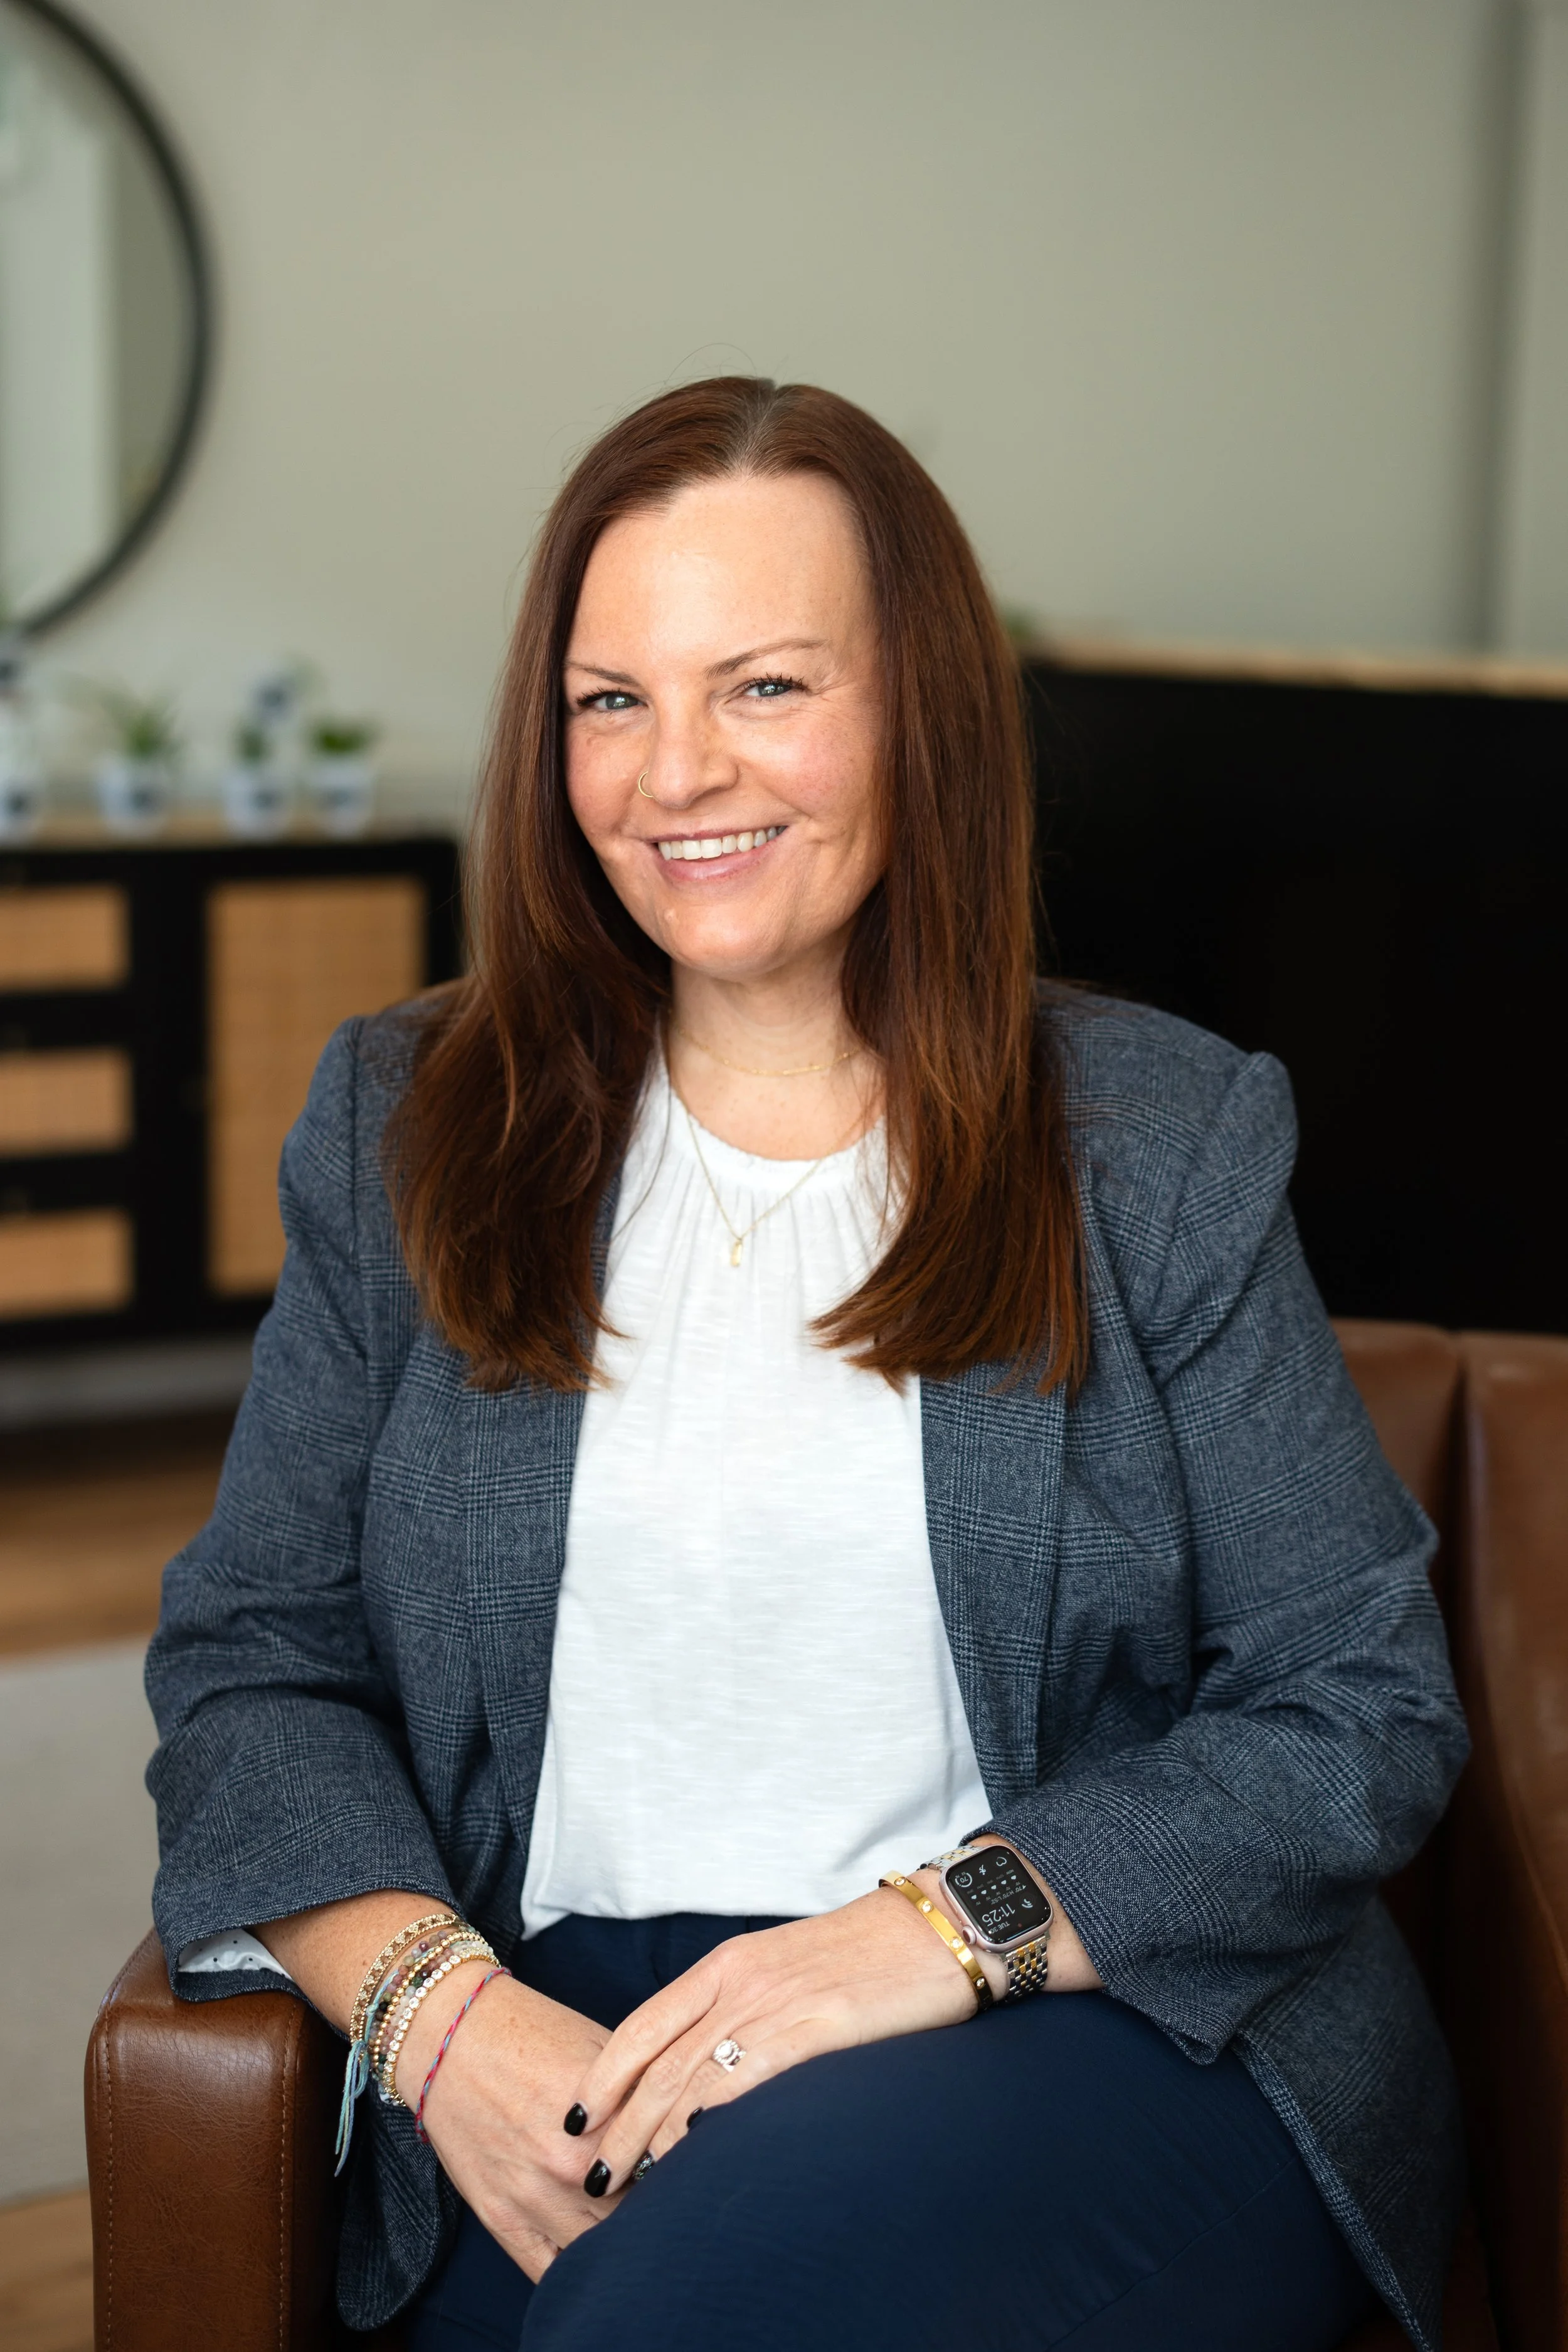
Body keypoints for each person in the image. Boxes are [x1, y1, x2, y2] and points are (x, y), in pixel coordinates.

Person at [146, 377, 1467, 2352]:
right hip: (559, 2036)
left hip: (1063, 2017)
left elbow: (1357, 1705)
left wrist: (936, 1929)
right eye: (610, 700)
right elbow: (251, 1655)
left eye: (761, 686)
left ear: (916, 714)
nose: (674, 772)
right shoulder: (403, 1121)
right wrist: (442, 2019)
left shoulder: (1157, 1139)